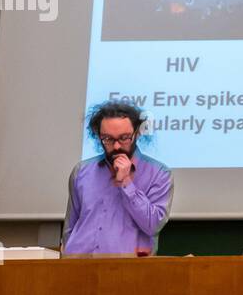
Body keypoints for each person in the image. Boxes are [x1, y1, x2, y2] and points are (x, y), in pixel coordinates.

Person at [62, 102, 173, 255]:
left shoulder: (159, 173)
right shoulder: (81, 171)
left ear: (137, 134)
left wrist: (127, 183)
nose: (116, 147)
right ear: (98, 135)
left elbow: (153, 225)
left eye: (124, 138)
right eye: (107, 139)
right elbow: (70, 227)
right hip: (78, 266)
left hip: (127, 271)